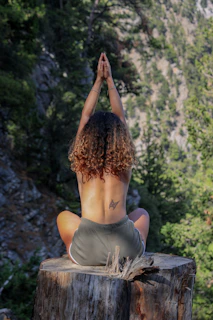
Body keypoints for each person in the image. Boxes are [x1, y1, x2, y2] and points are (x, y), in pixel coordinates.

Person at [57, 53, 149, 266]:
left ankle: (83, 248)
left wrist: (98, 80)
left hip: (86, 253)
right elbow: (121, 116)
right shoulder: (124, 166)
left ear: (88, 138)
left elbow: (86, 116)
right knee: (141, 213)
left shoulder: (81, 164)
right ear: (121, 139)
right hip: (126, 251)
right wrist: (110, 81)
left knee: (64, 216)